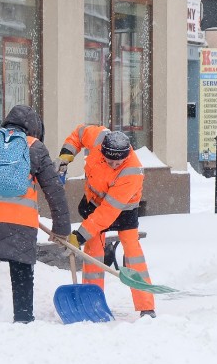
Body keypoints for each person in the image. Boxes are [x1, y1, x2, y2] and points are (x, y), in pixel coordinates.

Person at [0, 104, 71, 324]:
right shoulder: (35, 147)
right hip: (20, 225)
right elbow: (54, 190)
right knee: (22, 275)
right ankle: (23, 322)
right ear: (33, 127)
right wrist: (61, 228)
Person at [57, 125, 156, 317]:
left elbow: (108, 212)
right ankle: (91, 300)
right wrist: (66, 155)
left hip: (123, 210)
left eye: (117, 162)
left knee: (132, 253)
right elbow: (78, 134)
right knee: (93, 253)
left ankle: (146, 306)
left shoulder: (131, 172)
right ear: (102, 149)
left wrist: (80, 235)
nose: (113, 165)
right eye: (109, 161)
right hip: (93, 203)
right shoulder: (98, 137)